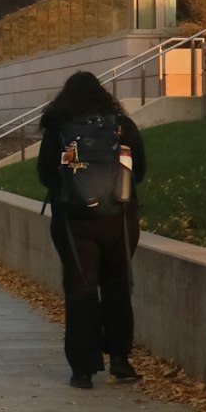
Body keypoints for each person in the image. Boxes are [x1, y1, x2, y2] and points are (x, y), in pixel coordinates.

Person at [37, 70, 146, 390]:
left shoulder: (58, 128)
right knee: (116, 286)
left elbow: (46, 174)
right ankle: (121, 363)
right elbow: (139, 169)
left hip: (74, 222)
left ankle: (82, 371)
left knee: (81, 290)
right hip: (118, 218)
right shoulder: (121, 126)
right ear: (103, 95)